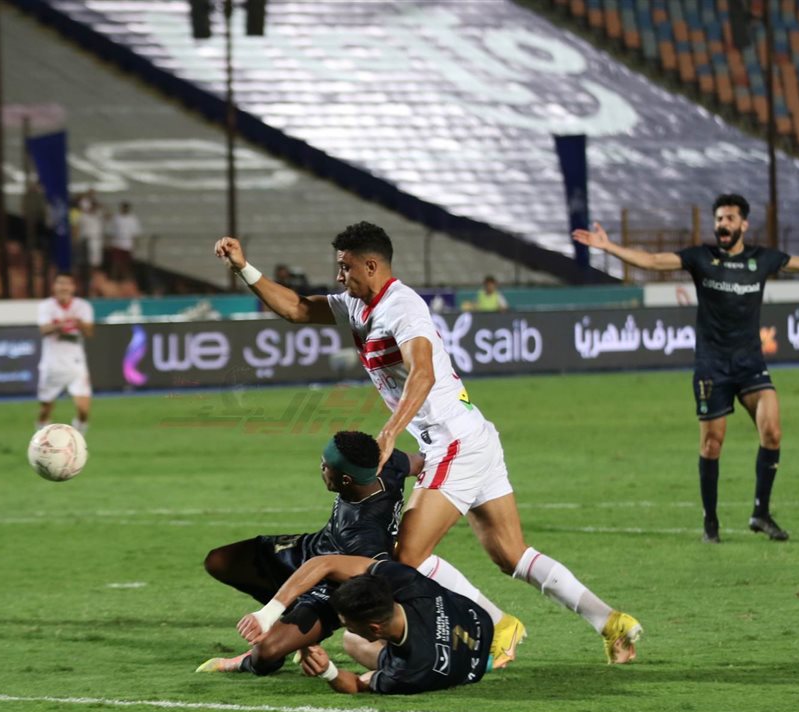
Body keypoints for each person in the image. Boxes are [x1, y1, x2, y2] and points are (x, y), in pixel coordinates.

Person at [215, 222, 641, 663]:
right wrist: (244, 268)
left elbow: (423, 372)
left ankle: (498, 627)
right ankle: (611, 622)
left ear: (371, 265)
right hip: (472, 434)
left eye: (345, 267)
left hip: (452, 443)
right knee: (511, 554)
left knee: (405, 557)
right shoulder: (356, 304)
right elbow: (298, 308)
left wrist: (389, 432)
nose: (339, 276)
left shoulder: (403, 307)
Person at [573, 193, 799, 543]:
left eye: (730, 219)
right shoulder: (701, 258)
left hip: (750, 364)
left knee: (772, 432)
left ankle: (761, 513)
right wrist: (608, 247)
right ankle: (711, 523)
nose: (723, 224)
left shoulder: (761, 259)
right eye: (719, 219)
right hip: (712, 365)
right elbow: (654, 261)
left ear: (743, 224)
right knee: (712, 445)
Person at [196, 431, 525, 677]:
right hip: (313, 547)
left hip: (332, 586)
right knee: (220, 561)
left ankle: (249, 660)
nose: (320, 468)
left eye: (325, 467)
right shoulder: (386, 464)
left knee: (267, 652)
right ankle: (293, 628)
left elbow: (327, 568)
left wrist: (268, 615)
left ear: (345, 479)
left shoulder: (363, 537)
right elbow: (421, 462)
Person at [259, 555, 500, 695]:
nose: (345, 627)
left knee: (351, 642)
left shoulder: (409, 669)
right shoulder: (407, 581)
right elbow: (327, 563)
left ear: (375, 629)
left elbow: (358, 683)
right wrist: (271, 611)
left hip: (462, 667)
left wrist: (327, 670)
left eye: (348, 623)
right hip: (479, 621)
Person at [36, 273, 94, 438]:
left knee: (83, 409)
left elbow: (89, 332)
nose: (63, 287)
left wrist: (78, 323)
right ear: (54, 287)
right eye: (60, 283)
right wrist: (61, 325)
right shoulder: (46, 306)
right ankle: (41, 440)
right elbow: (43, 329)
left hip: (76, 363)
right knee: (45, 409)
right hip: (52, 363)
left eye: (67, 283)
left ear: (73, 287)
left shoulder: (83, 306)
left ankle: (77, 440)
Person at [106, 201, 142, 282]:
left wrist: (135, 244)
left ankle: (126, 281)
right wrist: (109, 243)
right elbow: (110, 231)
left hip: (127, 245)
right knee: (115, 263)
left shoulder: (133, 219)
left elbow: (135, 233)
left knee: (126, 264)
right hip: (117, 244)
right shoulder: (116, 218)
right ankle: (113, 280)